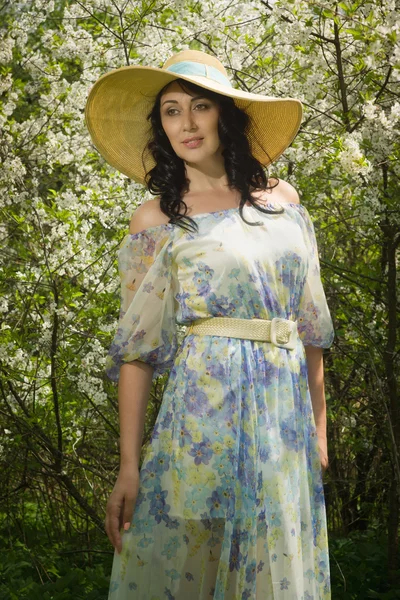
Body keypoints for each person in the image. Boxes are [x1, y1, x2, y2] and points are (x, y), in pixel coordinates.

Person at [85, 49, 334, 599]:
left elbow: (311, 325)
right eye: (171, 111)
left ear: (226, 115)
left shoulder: (284, 202)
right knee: (194, 565)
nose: (187, 123)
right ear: (161, 128)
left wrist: (318, 429)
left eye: (200, 106)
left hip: (282, 421)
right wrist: (129, 467)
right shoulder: (158, 219)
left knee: (274, 572)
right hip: (203, 416)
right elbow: (138, 349)